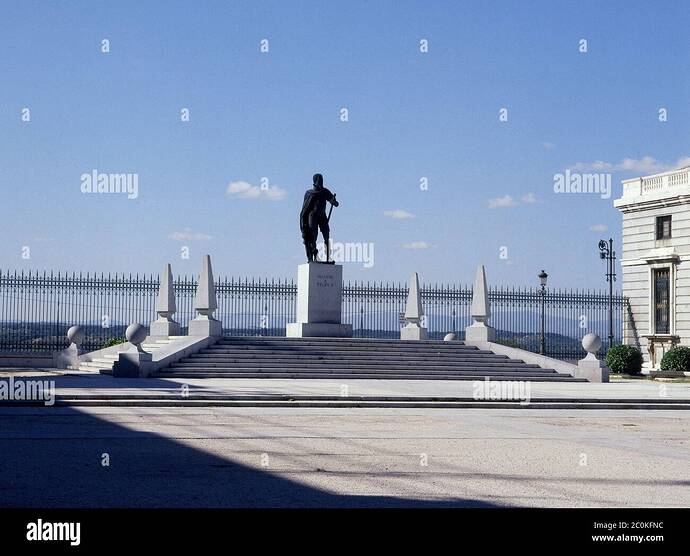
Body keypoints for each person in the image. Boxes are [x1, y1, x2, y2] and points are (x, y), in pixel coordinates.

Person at [300, 173, 339, 262]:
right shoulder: (310, 193)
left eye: (322, 181)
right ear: (315, 182)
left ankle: (328, 256)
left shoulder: (324, 192)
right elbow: (304, 210)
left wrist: (334, 202)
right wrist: (303, 224)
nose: (321, 183)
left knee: (326, 235)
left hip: (322, 216)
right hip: (312, 216)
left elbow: (334, 202)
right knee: (313, 236)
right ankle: (314, 256)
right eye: (319, 181)